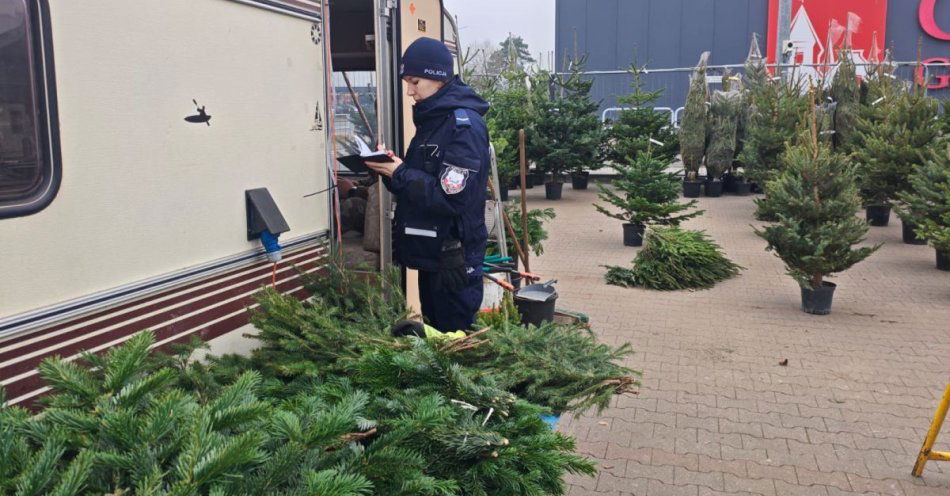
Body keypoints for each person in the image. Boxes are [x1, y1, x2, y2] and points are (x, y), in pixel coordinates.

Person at [365, 37, 490, 333]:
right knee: (435, 334)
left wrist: (400, 173)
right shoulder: (433, 122)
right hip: (432, 254)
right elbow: (420, 186)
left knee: (455, 341)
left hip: (454, 259)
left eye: (415, 82)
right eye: (407, 82)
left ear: (438, 78)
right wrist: (390, 169)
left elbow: (451, 199)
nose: (409, 91)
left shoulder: (464, 127)